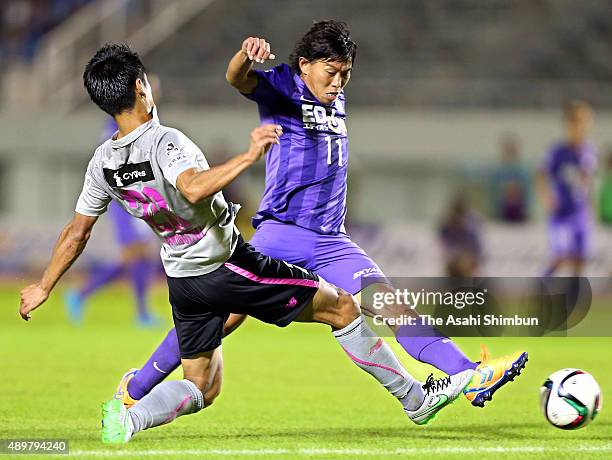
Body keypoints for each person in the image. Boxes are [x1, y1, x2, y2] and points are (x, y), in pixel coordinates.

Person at [19, 43, 474, 444]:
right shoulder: (165, 141)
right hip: (227, 265)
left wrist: (43, 287)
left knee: (202, 385)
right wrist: (249, 155)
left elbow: (76, 232)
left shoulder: (102, 162)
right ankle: (416, 399)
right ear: (141, 87)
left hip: (182, 280)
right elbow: (194, 187)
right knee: (343, 308)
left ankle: (130, 417)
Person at [116, 21, 526, 412]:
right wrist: (245, 55)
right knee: (219, 319)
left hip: (332, 242)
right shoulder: (280, 86)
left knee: (394, 308)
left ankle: (470, 376)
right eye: (331, 72)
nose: (338, 82)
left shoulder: (334, 95)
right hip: (281, 236)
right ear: (305, 65)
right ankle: (134, 390)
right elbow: (236, 79)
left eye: (345, 74)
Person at [538, 101, 597, 276]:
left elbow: (588, 181)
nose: (580, 127)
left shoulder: (589, 151)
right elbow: (541, 175)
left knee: (580, 259)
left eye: (583, 122)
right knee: (561, 256)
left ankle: (574, 298)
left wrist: (590, 205)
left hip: (580, 213)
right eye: (575, 122)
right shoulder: (557, 152)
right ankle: (541, 286)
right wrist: (547, 197)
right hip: (561, 214)